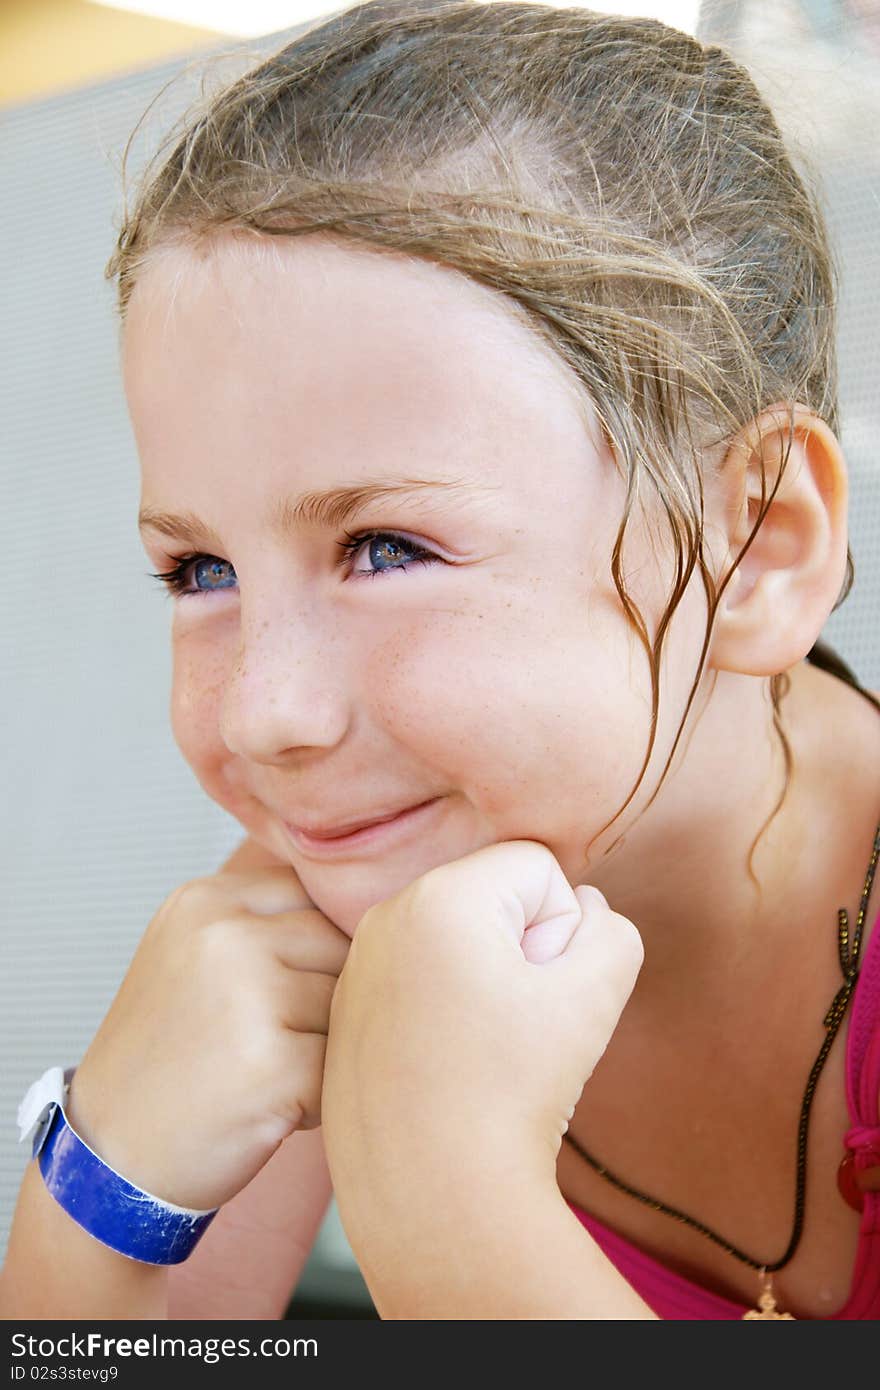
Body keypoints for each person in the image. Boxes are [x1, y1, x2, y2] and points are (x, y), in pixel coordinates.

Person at [2, 0, 879, 1321]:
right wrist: (112, 1177)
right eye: (200, 572)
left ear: (754, 543)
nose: (265, 715)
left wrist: (444, 1186)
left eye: (387, 546)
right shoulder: (354, 908)